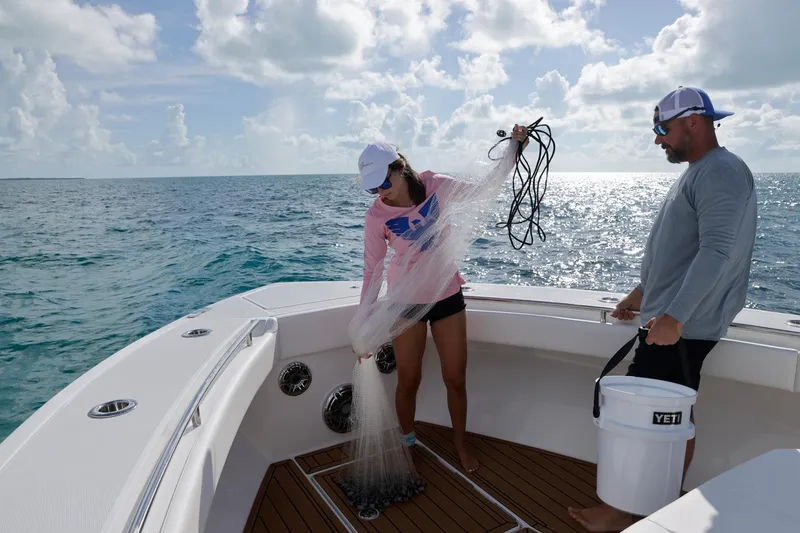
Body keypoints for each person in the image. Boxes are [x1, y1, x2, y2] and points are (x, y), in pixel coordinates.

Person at [568, 86, 758, 532]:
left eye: (663, 129)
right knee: (668, 418)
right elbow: (679, 251)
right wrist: (641, 293)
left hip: (680, 328)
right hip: (668, 320)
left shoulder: (720, 173)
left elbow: (716, 252)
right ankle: (655, 506)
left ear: (694, 122)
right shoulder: (702, 170)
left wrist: (675, 317)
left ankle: (628, 512)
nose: (658, 140)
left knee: (655, 420)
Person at [355, 126, 529, 474]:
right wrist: (365, 326)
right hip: (405, 303)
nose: (381, 193)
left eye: (384, 183)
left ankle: (460, 445)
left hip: (447, 295)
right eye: (373, 188)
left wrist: (515, 148)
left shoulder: (435, 185)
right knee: (409, 379)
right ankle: (408, 443)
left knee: (455, 377)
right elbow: (372, 270)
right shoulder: (376, 216)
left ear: (398, 167)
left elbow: (484, 189)